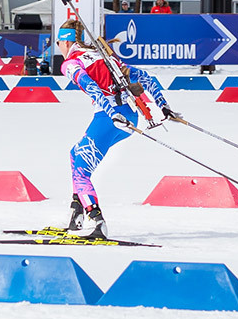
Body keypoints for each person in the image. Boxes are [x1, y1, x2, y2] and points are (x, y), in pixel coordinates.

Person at [58, 19, 178, 239]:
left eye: (58, 43)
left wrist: (112, 113)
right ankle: (77, 213)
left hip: (110, 118)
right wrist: (163, 106)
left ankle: (97, 222)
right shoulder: (102, 55)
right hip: (129, 118)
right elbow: (145, 78)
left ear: (64, 43)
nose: (58, 48)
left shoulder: (71, 64)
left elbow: (91, 87)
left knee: (81, 171)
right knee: (75, 154)